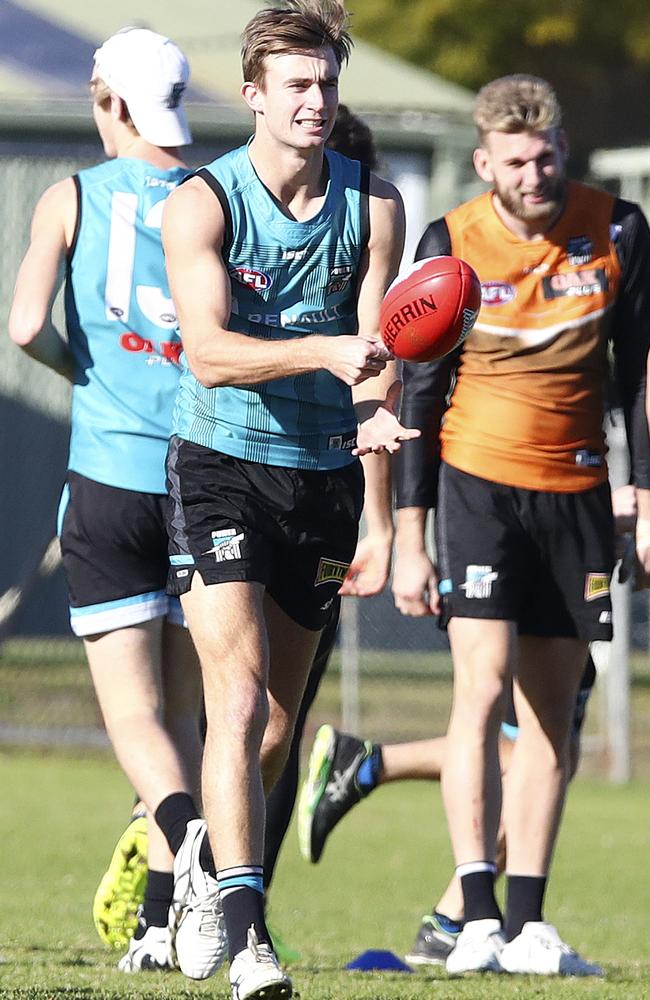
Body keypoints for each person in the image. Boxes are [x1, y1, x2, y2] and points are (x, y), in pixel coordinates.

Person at [153, 2, 417, 997]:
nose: (314, 102)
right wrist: (321, 351)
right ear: (253, 95)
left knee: (273, 724)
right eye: (295, 86)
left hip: (321, 473)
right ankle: (252, 939)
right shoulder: (202, 202)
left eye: (326, 85)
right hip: (218, 460)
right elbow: (211, 355)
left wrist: (378, 441)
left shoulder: (372, 205)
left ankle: (204, 867)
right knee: (235, 689)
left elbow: (374, 354)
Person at [388, 74, 650, 977]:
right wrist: (408, 532)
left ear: (563, 151)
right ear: (483, 162)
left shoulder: (617, 229)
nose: (534, 176)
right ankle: (476, 915)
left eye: (547, 158)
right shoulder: (450, 245)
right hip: (476, 489)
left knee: (553, 715)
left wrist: (645, 499)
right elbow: (420, 389)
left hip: (577, 493)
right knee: (482, 690)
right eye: (515, 162)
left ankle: (532, 922)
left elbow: (637, 377)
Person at [8, 27, 207, 974]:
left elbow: (23, 328)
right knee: (191, 718)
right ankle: (163, 922)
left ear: (107, 103)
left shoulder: (73, 195)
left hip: (109, 481)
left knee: (135, 720)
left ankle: (189, 834)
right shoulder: (220, 197)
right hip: (208, 482)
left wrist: (80, 367)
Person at [297, 482, 638, 965]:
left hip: (568, 541)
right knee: (529, 746)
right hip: (516, 540)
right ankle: (462, 913)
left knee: (549, 749)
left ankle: (453, 915)